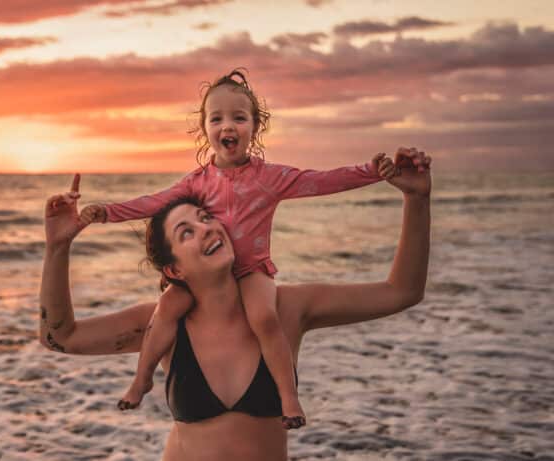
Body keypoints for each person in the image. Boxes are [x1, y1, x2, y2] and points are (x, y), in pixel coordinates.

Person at [39, 147, 431, 461]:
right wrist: (57, 248)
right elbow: (60, 337)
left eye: (206, 216)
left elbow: (402, 291)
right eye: (186, 231)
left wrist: (415, 199)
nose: (207, 227)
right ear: (174, 268)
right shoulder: (161, 323)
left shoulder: (286, 309)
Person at [78, 69, 395, 428]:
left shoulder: (271, 178)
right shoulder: (196, 184)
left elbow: (320, 181)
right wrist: (106, 213)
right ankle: (141, 380)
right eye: (217, 119)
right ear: (206, 130)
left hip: (251, 270)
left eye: (239, 117)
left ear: (254, 128)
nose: (227, 125)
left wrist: (372, 171)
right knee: (166, 307)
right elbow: (155, 203)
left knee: (264, 317)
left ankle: (288, 397)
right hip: (207, 280)